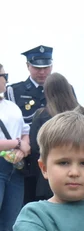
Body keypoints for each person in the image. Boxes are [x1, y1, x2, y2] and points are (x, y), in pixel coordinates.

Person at [29, 73, 84, 201]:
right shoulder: (83, 114)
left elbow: (34, 148)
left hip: (50, 179)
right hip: (82, 176)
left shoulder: (41, 115)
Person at [6, 45, 54, 205]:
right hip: (24, 162)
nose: (42, 72)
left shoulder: (61, 90)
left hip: (52, 160)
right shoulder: (14, 91)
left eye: (46, 67)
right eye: (37, 68)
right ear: (28, 66)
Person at [0, 63, 30, 231]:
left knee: (9, 223)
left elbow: (25, 132)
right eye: (3, 76)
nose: (4, 80)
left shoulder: (11, 106)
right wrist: (16, 144)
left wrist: (24, 147)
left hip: (14, 166)